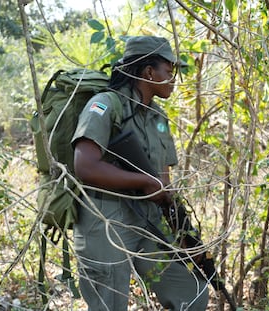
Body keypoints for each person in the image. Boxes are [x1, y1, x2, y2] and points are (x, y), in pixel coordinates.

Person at [71, 36, 209, 311]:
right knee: (109, 305)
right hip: (105, 218)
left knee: (192, 295)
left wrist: (181, 228)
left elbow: (163, 183)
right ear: (149, 72)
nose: (172, 79)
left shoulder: (158, 117)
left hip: (148, 219)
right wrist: (144, 181)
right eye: (168, 72)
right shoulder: (105, 105)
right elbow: (84, 166)